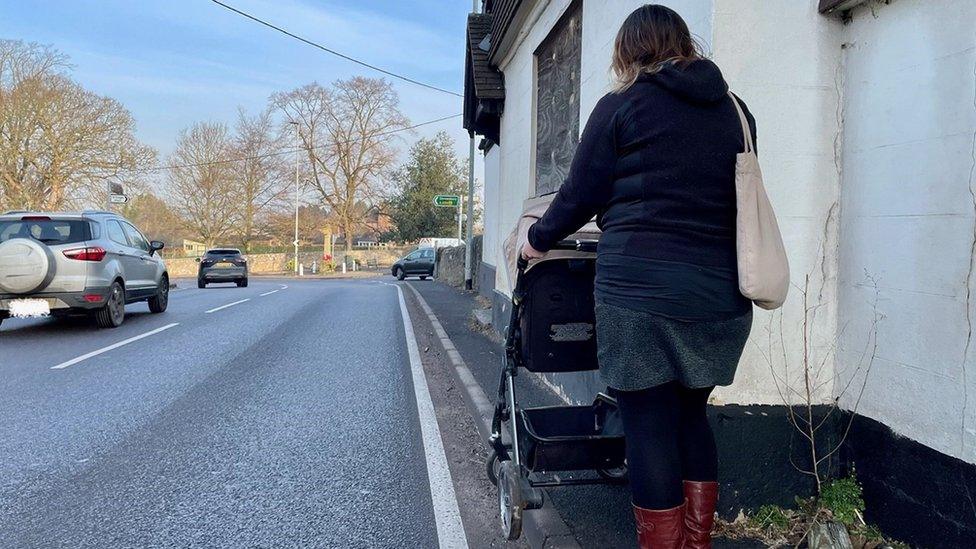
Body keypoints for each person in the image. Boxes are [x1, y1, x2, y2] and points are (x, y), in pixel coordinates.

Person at [521, 5, 756, 548]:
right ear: (683, 43)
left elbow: (579, 196)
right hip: (719, 294)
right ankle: (695, 543)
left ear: (629, 52)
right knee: (691, 416)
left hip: (638, 295)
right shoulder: (736, 112)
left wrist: (537, 239)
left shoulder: (621, 106)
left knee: (648, 424)